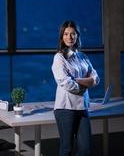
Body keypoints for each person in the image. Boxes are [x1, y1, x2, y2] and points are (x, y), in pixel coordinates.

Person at [51, 20, 100, 156]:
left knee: (85, 149)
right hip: (66, 108)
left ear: (77, 36)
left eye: (73, 34)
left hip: (82, 107)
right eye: (66, 34)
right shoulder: (59, 58)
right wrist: (86, 84)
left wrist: (78, 80)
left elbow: (96, 79)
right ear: (62, 36)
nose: (70, 37)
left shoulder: (83, 57)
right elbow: (66, 83)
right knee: (66, 148)